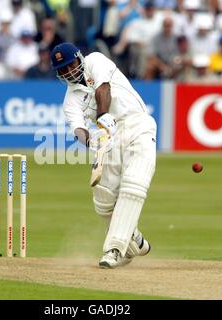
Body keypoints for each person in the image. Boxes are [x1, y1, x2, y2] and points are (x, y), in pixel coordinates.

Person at [50, 43, 155, 268]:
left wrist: (103, 116)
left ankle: (114, 249)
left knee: (134, 184)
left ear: (79, 58)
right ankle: (135, 240)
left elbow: (103, 88)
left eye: (71, 65)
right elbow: (78, 129)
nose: (68, 71)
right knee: (103, 198)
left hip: (137, 124)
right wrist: (92, 140)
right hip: (109, 138)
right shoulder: (70, 100)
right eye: (62, 69)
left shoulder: (95, 60)